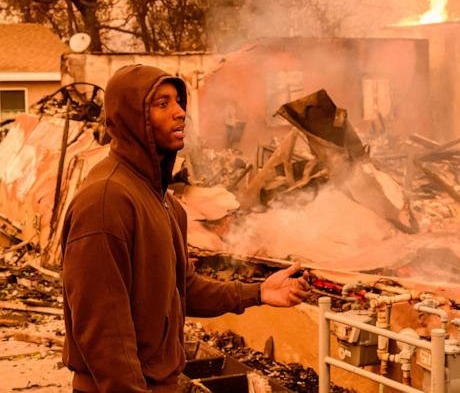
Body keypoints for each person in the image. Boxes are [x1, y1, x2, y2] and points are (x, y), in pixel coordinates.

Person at [61, 65, 310, 392]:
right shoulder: (107, 200)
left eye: (179, 101)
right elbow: (101, 331)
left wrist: (258, 292)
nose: (180, 113)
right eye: (162, 104)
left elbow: (183, 290)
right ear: (131, 116)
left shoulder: (164, 202)